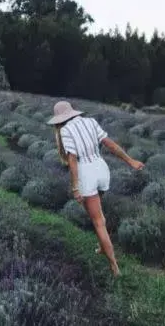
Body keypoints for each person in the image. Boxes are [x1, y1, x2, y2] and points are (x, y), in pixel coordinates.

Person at [48, 100, 145, 276]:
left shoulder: (64, 130)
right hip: (102, 170)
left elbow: (72, 160)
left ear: (59, 119)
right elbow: (111, 145)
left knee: (98, 222)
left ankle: (114, 266)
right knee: (98, 213)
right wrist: (131, 161)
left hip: (86, 174)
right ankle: (102, 247)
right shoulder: (90, 121)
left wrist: (76, 187)